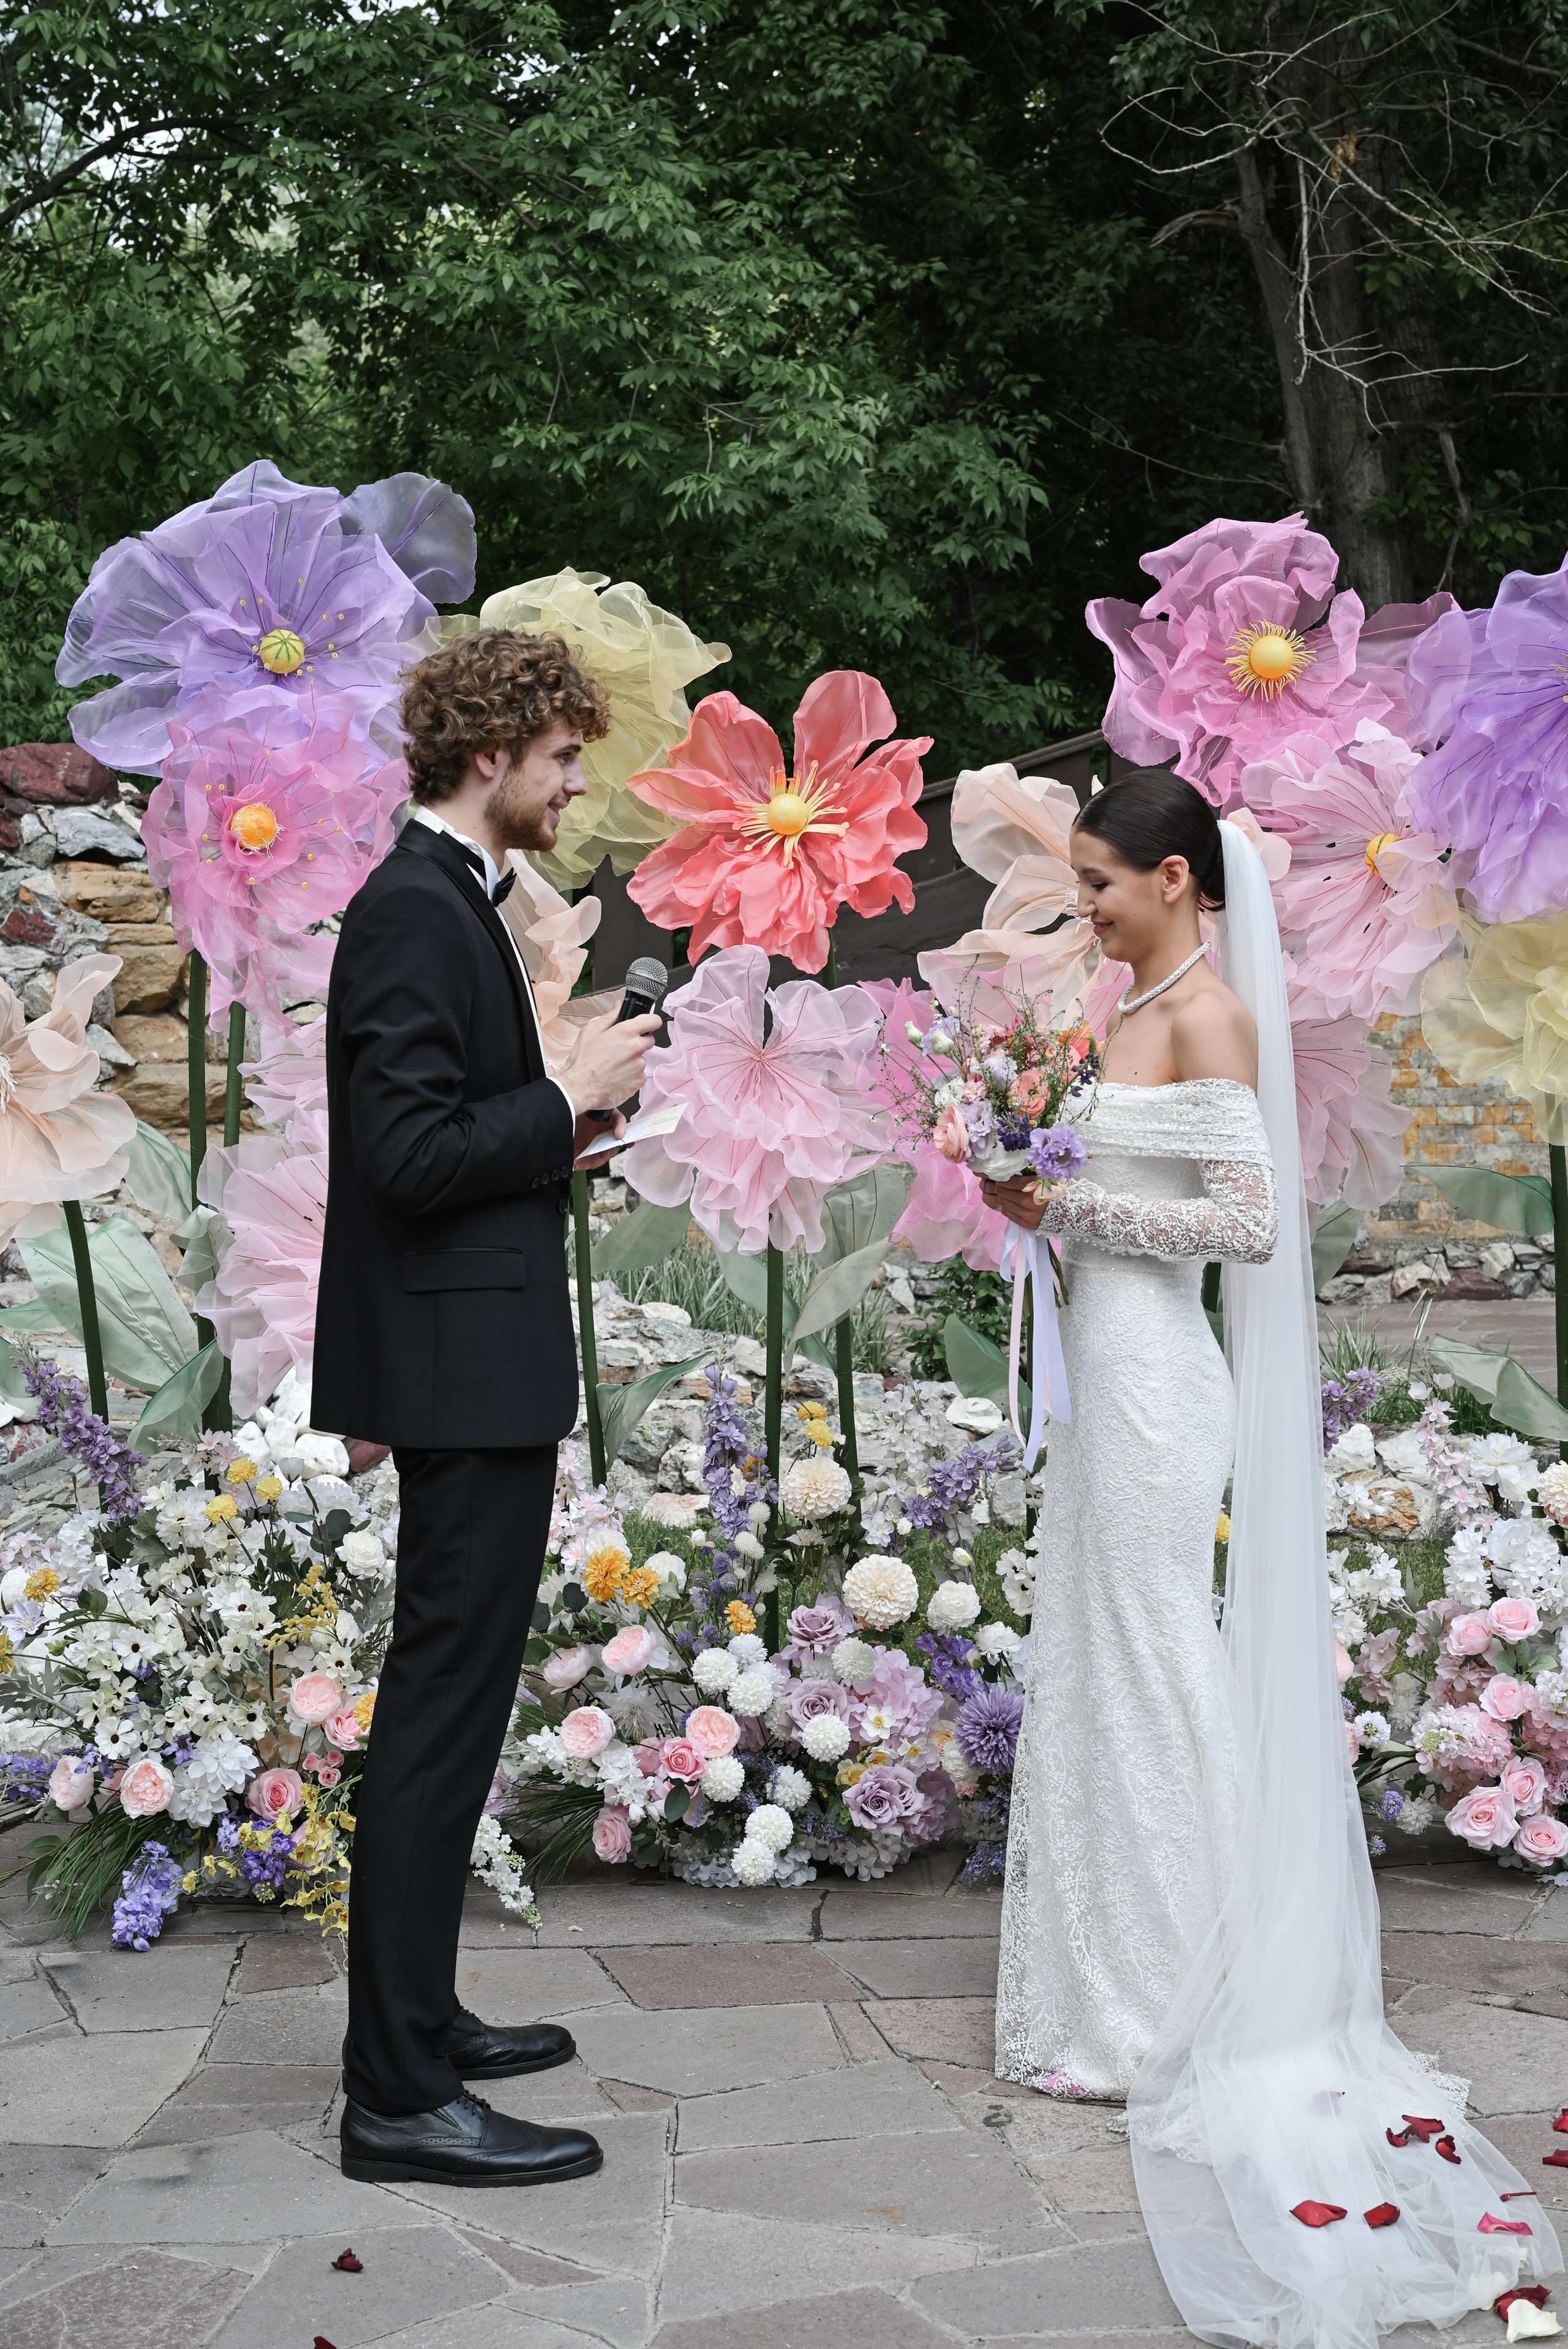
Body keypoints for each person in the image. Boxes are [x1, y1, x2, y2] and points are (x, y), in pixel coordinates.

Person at [982, 771, 1558, 2345]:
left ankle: (1179, 1996)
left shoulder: (1209, 1020)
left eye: (1100, 882)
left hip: (1164, 1384)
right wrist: (1034, 1196)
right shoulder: (1133, 999)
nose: (1080, 905)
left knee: (1157, 1654)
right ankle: (1109, 1982)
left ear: (1175, 880)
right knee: (1105, 1658)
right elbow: (1126, 1198)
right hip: (1110, 1378)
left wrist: (1073, 1198)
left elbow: (1240, 1220)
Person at [314, 627, 661, 2188]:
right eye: (560, 754)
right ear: (487, 757)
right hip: (462, 1373)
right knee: (437, 1724)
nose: (575, 778)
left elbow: (452, 1144)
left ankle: (420, 2019)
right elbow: (401, 1160)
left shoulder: (454, 899)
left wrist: (566, 1127)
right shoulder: (409, 910)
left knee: (448, 1714)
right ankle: (393, 2093)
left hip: (473, 1356)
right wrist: (568, 1094)